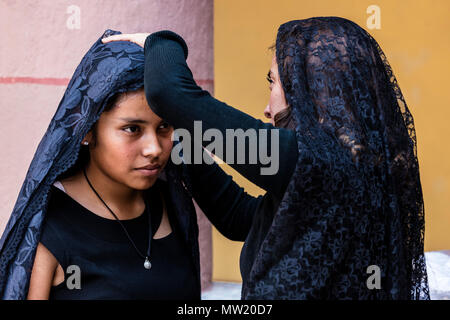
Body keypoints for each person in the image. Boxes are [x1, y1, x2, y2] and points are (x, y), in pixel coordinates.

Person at [102, 16, 430, 299]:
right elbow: (242, 218)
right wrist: (180, 143)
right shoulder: (355, 166)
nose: (267, 107)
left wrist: (161, 41)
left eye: (273, 83)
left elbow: (169, 93)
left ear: (311, 91)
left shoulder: (314, 161)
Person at [0, 29, 255, 300]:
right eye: (132, 128)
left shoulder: (171, 199)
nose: (154, 149)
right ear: (86, 128)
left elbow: (242, 215)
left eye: (165, 126)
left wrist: (167, 57)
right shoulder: (48, 231)